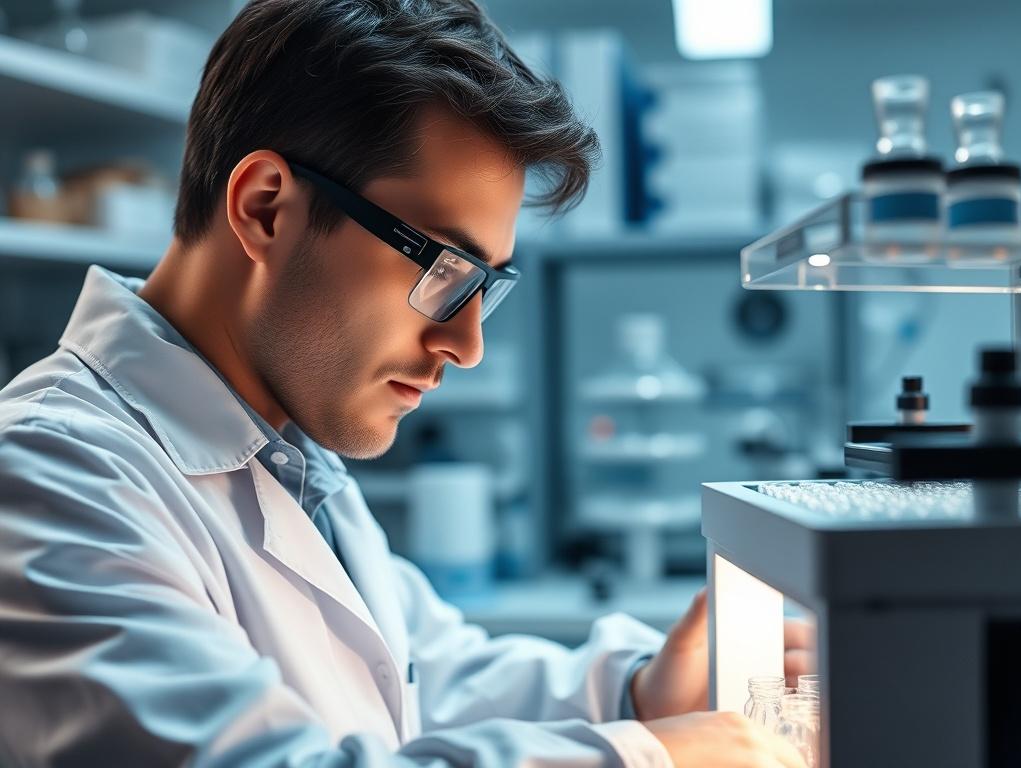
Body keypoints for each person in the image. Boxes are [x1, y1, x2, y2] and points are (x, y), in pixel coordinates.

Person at [0, 1, 812, 766]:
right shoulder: (46, 478)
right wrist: (649, 755)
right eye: (445, 270)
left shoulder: (285, 450)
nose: (466, 345)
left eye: (484, 287)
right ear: (265, 208)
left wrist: (640, 693)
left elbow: (424, 678)